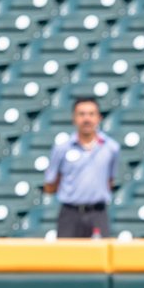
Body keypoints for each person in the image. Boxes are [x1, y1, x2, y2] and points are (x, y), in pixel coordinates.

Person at [43, 97, 121, 238]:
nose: (87, 119)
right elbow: (51, 182)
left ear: (99, 118)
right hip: (70, 213)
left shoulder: (111, 148)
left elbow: (110, 180)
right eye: (82, 114)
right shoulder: (62, 148)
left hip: (98, 213)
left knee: (100, 258)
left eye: (91, 114)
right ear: (74, 118)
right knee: (67, 257)